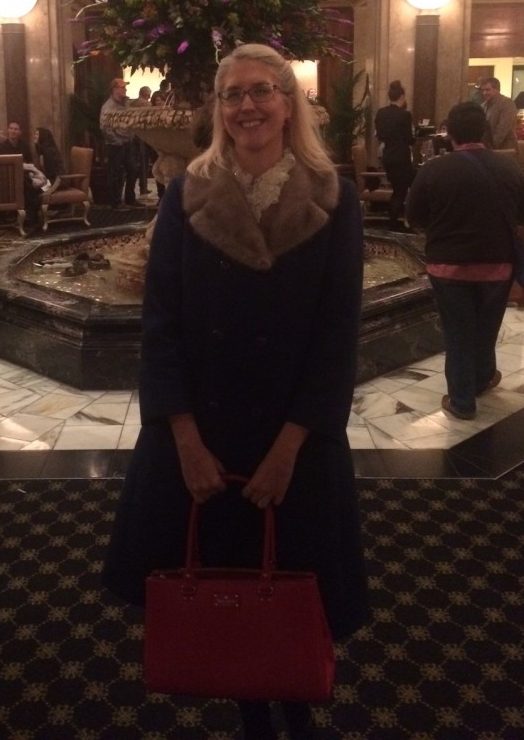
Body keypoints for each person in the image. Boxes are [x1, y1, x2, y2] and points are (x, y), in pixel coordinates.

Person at [103, 44, 369, 740]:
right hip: (205, 439)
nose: (247, 105)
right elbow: (159, 324)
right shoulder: (184, 193)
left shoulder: (334, 199)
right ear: (218, 110)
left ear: (289, 103)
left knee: (297, 589)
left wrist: (290, 446)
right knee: (225, 586)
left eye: (262, 91)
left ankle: (297, 704)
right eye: (232, 94)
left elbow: (338, 336)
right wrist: (182, 438)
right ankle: (251, 707)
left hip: (297, 439)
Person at [406, 101, 524, 420]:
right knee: (487, 327)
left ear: (450, 134)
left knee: (458, 331)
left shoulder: (434, 169)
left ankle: (463, 400)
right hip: (498, 266)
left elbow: (414, 216)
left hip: (448, 267)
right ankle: (483, 377)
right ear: (484, 132)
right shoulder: (509, 167)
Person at [374, 79, 415, 230]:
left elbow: (380, 135)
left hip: (388, 156)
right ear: (402, 97)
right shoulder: (405, 115)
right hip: (401, 157)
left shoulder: (381, 113)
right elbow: (409, 139)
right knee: (402, 190)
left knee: (400, 189)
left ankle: (397, 221)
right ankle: (394, 223)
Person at [100, 79, 139, 208]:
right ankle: (115, 202)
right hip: (116, 145)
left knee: (133, 170)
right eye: (122, 87)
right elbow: (104, 127)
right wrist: (116, 140)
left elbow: (130, 119)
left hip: (128, 143)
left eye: (124, 87)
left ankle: (130, 198)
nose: (125, 90)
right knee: (116, 173)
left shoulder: (125, 104)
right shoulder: (108, 106)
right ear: (114, 89)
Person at [480, 77, 518, 151]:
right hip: (490, 150)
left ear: (496, 89)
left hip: (506, 150)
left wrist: (490, 147)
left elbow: (503, 129)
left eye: (487, 90)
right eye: (483, 90)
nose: (484, 93)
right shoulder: (483, 106)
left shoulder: (507, 103)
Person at [130, 87, 154, 196]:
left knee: (134, 163)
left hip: (132, 135)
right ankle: (143, 187)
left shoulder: (132, 103)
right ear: (145, 94)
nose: (150, 96)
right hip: (143, 137)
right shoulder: (147, 105)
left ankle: (133, 188)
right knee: (144, 163)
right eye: (149, 94)